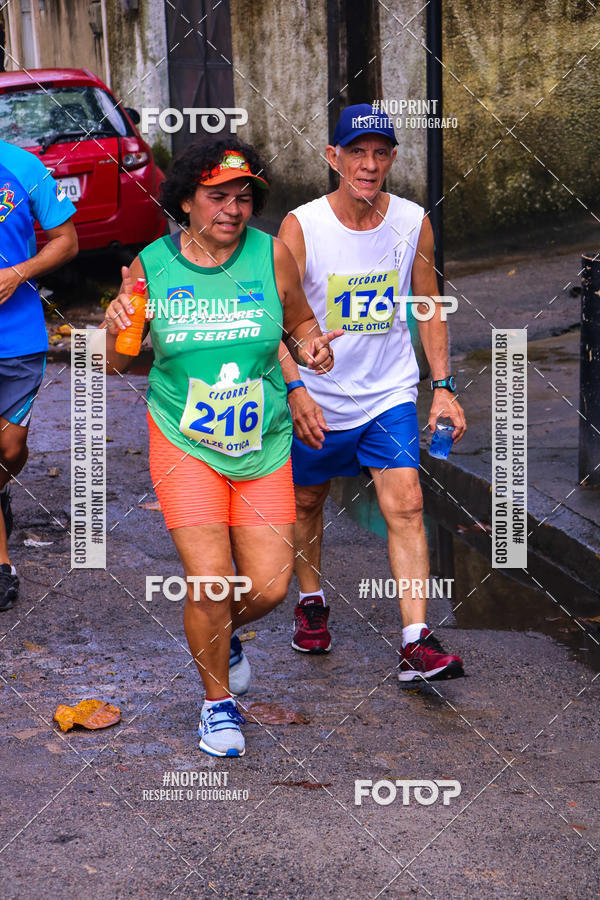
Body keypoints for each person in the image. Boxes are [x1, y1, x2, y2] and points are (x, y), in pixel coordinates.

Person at [102, 139, 341, 757]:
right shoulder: (151, 265)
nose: (234, 208)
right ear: (186, 200)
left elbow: (300, 325)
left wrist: (313, 352)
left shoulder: (273, 255)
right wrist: (117, 332)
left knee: (266, 588)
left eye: (243, 196)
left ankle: (220, 635)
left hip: (262, 442)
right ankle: (217, 705)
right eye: (218, 196)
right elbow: (118, 361)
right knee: (210, 582)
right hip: (185, 440)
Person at [278, 104, 467, 681]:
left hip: (387, 391)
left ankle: (416, 639)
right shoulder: (301, 225)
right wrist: (298, 373)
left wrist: (443, 388)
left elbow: (428, 304)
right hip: (319, 396)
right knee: (308, 503)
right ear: (332, 157)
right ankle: (311, 602)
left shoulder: (412, 221)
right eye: (356, 152)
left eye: (380, 152)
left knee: (407, 503)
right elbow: (279, 318)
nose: (369, 164)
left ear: (392, 158)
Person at [0, 139, 78, 610]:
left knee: (8, 448)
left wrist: (18, 273)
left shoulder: (22, 165)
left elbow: (66, 240)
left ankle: (4, 486)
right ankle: (3, 562)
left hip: (20, 336)